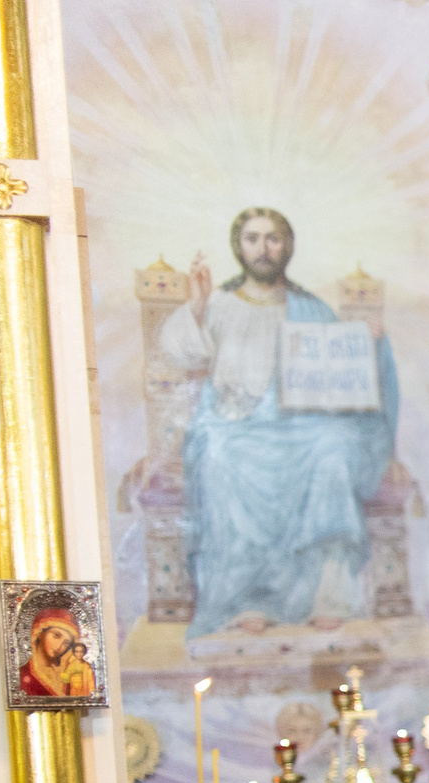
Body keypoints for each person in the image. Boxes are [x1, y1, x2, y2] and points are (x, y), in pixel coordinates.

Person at [157, 208, 400, 640]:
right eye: (252, 238)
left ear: (287, 247)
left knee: (334, 448)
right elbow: (179, 351)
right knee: (219, 455)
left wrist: (369, 339)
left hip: (301, 427)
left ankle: (327, 595)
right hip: (236, 424)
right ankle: (245, 598)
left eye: (273, 238)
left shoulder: (311, 308)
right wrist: (196, 304)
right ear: (239, 247)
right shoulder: (220, 304)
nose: (263, 248)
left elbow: (343, 367)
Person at [19, 606, 96, 698]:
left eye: (66, 643)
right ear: (39, 633)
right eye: (56, 635)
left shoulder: (69, 675)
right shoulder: (23, 675)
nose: (59, 646)